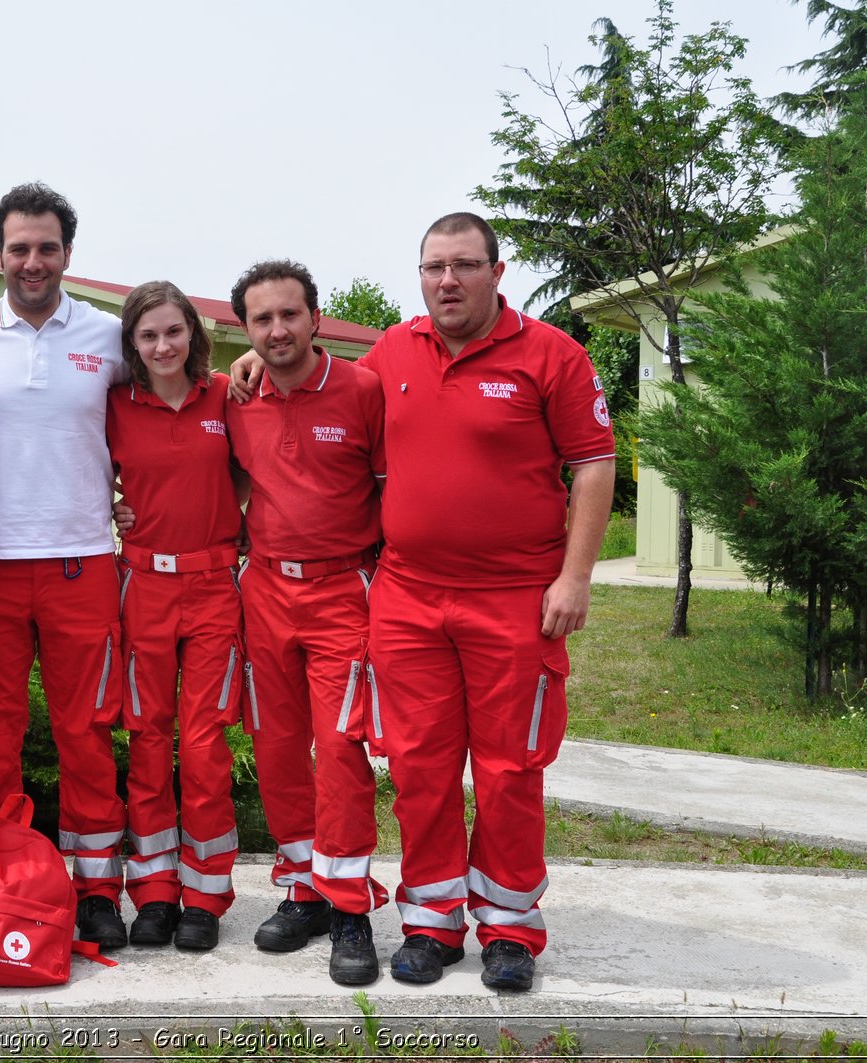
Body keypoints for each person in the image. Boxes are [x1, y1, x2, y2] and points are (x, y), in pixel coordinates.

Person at [359, 213, 615, 991]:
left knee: (508, 770)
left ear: (497, 272)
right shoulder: (392, 351)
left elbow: (595, 465)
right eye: (434, 266)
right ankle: (431, 923)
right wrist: (248, 375)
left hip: (514, 601)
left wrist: (575, 578)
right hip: (406, 599)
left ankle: (508, 928)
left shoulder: (552, 355)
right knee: (419, 767)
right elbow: (325, 399)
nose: (448, 280)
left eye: (464, 265)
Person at [0, 182, 131, 949]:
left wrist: (249, 354)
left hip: (83, 563)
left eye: (46, 247)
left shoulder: (111, 334)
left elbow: (183, 364)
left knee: (87, 732)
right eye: (18, 247)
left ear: (68, 255)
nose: (32, 261)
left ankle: (94, 888)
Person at [224, 260, 388, 986]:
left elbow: (394, 490)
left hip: (342, 590)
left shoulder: (363, 390)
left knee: (341, 746)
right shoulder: (238, 395)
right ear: (245, 330)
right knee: (278, 744)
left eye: (289, 315)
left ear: (316, 318)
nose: (277, 329)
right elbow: (226, 479)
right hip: (263, 587)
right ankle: (305, 888)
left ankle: (351, 904)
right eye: (262, 320)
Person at [105, 281, 243, 952]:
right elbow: (85, 471)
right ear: (132, 345)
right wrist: (116, 509)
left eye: (173, 332)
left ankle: (207, 892)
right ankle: (155, 890)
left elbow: (249, 468)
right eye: (148, 335)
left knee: (208, 742)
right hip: (144, 586)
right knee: (148, 738)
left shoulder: (227, 395)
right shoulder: (114, 405)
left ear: (193, 333)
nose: (163, 345)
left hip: (216, 585)